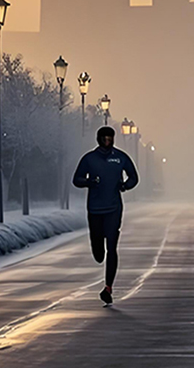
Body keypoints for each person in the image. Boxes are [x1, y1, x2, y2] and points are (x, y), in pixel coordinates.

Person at [72, 126, 138, 306]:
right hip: (94, 209)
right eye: (104, 138)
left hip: (113, 208)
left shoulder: (120, 157)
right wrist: (89, 182)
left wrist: (125, 186)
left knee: (112, 248)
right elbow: (76, 179)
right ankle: (96, 247)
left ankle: (108, 287)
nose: (107, 141)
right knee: (99, 252)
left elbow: (134, 177)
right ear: (98, 138)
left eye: (110, 138)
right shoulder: (89, 159)